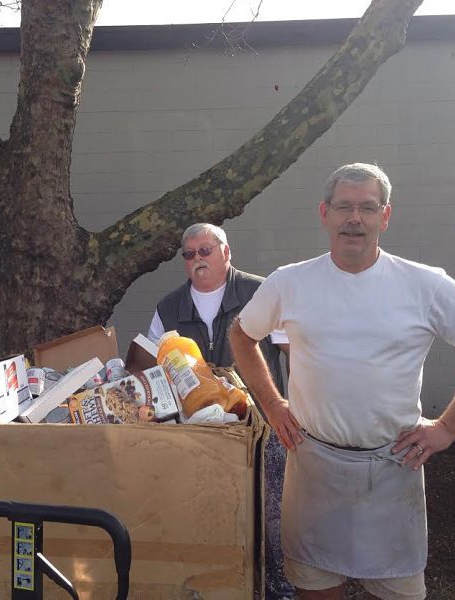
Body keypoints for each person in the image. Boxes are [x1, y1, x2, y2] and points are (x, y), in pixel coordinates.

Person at [229, 163, 455, 600]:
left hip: (395, 470)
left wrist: (447, 427)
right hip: (314, 467)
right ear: (325, 213)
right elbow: (242, 334)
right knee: (315, 590)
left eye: (367, 208)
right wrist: (274, 405)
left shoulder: (426, 285)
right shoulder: (290, 282)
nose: (355, 218)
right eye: (344, 207)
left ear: (385, 216)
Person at [148, 222, 295, 600]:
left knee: (270, 514)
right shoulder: (168, 308)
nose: (198, 259)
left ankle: (277, 589)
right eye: (189, 254)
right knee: (206, 511)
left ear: (226, 252)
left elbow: (294, 351)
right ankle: (214, 587)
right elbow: (151, 366)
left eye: (205, 250)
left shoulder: (259, 291)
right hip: (197, 432)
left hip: (260, 426)